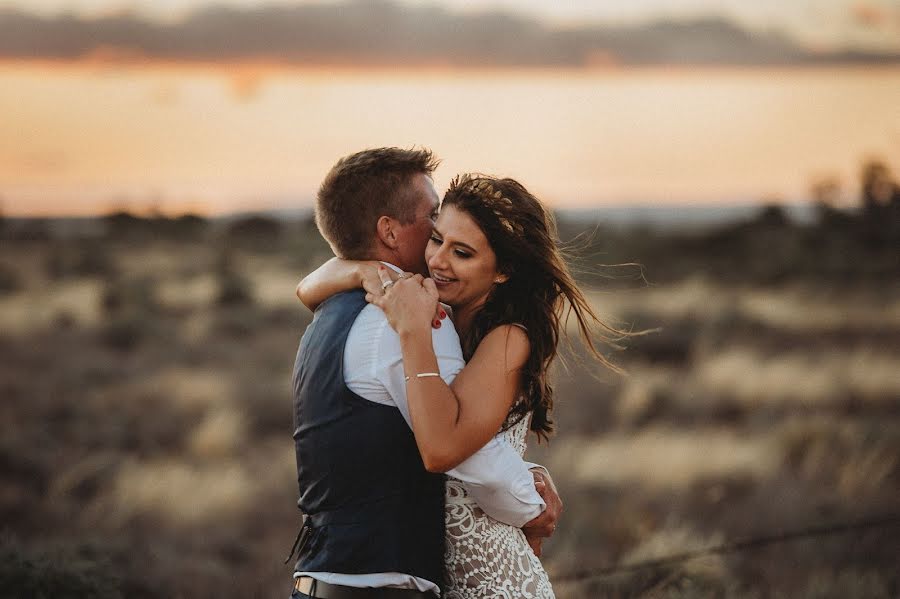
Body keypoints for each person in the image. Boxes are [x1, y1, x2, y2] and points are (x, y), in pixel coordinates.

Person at [299, 173, 623, 597]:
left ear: (503, 270)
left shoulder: (508, 337)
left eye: (463, 253)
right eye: (437, 240)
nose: (438, 261)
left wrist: (414, 331)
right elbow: (307, 289)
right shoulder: (442, 312)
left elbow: (443, 448)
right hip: (442, 578)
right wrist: (365, 271)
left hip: (494, 581)